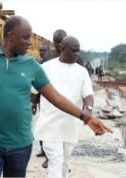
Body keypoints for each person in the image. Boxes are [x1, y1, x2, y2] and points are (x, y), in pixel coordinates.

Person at [0, 15, 112, 178]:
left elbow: (56, 98)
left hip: (20, 144)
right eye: (26, 38)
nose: (30, 43)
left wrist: (85, 116)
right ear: (11, 36)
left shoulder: (31, 65)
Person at [34, 36, 94, 178]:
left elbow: (88, 95)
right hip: (50, 125)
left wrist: (88, 110)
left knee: (65, 161)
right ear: (62, 49)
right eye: (73, 51)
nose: (76, 54)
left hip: (70, 125)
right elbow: (34, 91)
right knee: (56, 160)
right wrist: (33, 103)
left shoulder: (82, 71)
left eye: (78, 51)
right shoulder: (46, 68)